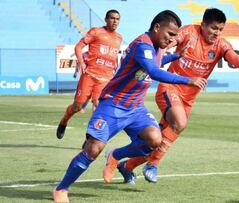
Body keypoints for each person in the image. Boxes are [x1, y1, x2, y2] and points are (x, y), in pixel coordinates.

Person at [52, 10, 207, 202]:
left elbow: (156, 63)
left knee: (154, 139)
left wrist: (175, 56)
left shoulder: (156, 46)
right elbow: (153, 71)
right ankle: (61, 188)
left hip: (136, 108)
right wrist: (188, 80)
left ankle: (115, 155)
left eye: (175, 36)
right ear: (157, 28)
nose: (172, 39)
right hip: (113, 105)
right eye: (170, 34)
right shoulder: (143, 45)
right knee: (93, 149)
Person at [114, 8, 239, 184]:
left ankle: (127, 166)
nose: (217, 33)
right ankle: (153, 164)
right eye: (214, 28)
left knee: (157, 141)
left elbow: (231, 56)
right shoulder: (189, 33)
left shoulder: (220, 44)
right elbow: (171, 40)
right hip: (170, 88)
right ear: (203, 24)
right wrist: (163, 48)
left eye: (220, 29)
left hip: (188, 98)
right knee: (180, 123)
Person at [56, 9, 122, 139]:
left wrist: (115, 70)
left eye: (117, 19)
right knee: (77, 106)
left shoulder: (119, 37)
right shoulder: (96, 31)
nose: (115, 21)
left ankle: (90, 138)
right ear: (106, 19)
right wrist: (81, 62)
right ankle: (64, 121)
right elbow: (78, 47)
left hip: (105, 79)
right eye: (112, 18)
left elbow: (114, 56)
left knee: (98, 107)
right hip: (90, 75)